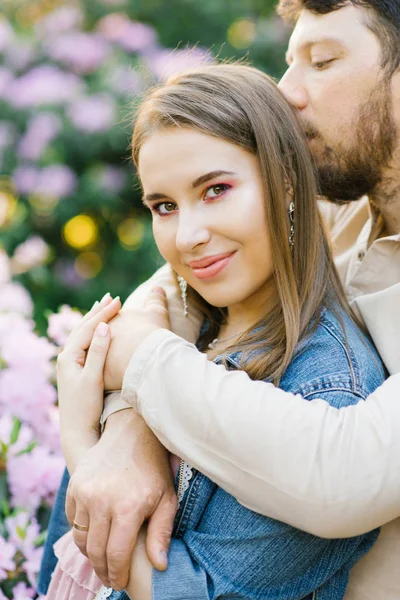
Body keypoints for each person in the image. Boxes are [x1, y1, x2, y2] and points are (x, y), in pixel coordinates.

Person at [37, 1, 400, 598]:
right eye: (162, 206)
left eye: (323, 60)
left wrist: (97, 426)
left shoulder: (330, 374)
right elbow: (177, 274)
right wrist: (132, 429)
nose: (287, 93)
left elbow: (340, 475)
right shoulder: (344, 208)